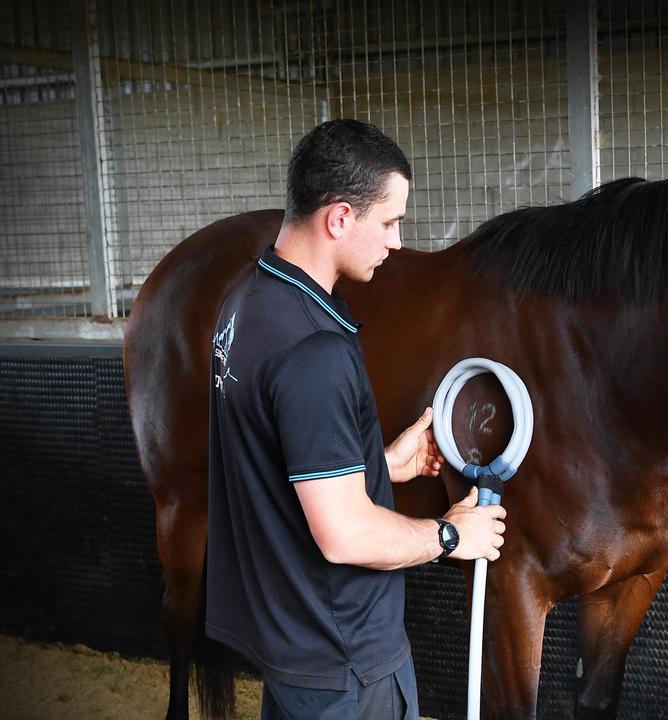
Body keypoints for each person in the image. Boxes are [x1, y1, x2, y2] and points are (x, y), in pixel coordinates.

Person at [205, 119, 506, 719]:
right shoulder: (314, 350)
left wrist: (378, 464)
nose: (397, 242)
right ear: (340, 218)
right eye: (390, 221)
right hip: (345, 661)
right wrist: (451, 535)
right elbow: (343, 536)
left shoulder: (246, 303)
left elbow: (276, 462)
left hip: (291, 648)